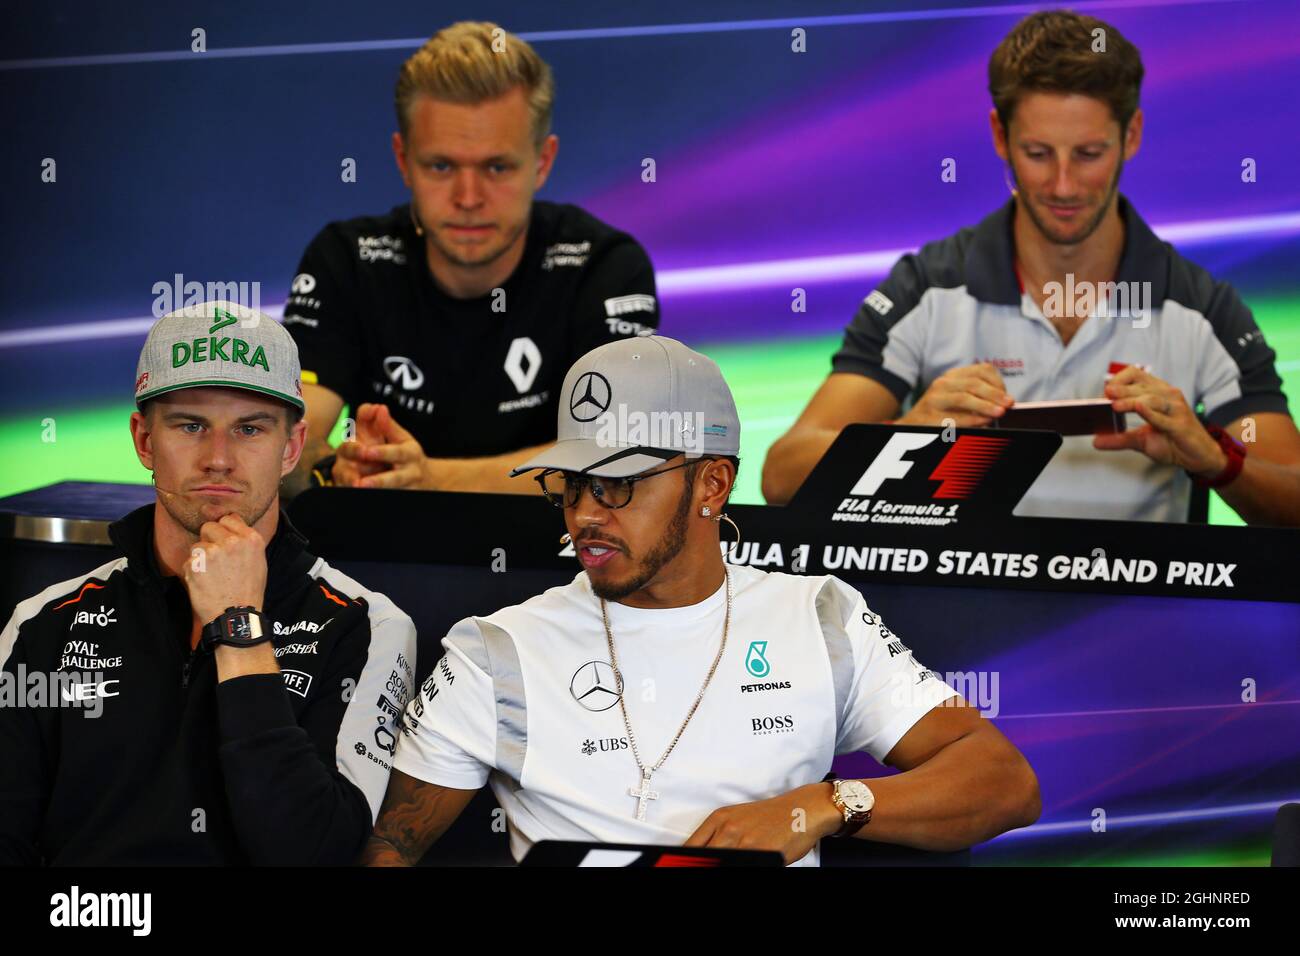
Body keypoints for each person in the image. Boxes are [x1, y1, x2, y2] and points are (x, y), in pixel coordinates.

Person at [361, 333, 1039, 866]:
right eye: (570, 483)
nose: (585, 515)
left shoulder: (819, 616)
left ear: (712, 484)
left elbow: (1005, 781)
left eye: (618, 484)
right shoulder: (494, 651)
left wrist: (823, 805)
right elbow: (391, 848)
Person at [762, 10, 1300, 525]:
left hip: (1146, 620)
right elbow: (782, 475)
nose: (1063, 185)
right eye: (1039, 153)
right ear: (1000, 136)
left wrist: (1215, 460)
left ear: (1131, 135)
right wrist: (909, 431)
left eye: (1089, 153)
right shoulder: (926, 287)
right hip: (962, 613)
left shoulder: (1202, 307)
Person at [0, 301, 417, 865]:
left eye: (250, 428)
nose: (218, 459)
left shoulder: (368, 627)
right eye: (190, 425)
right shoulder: (41, 624)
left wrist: (238, 628)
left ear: (291, 448)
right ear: (144, 440)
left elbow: (314, 854)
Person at [282, 21, 659, 497]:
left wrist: (427, 479)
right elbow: (288, 435)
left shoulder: (605, 267)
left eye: (496, 167)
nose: (468, 197)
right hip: (380, 557)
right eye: (441, 166)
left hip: (565, 559)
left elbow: (619, 455)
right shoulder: (345, 260)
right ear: (403, 160)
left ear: (543, 162)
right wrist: (340, 469)